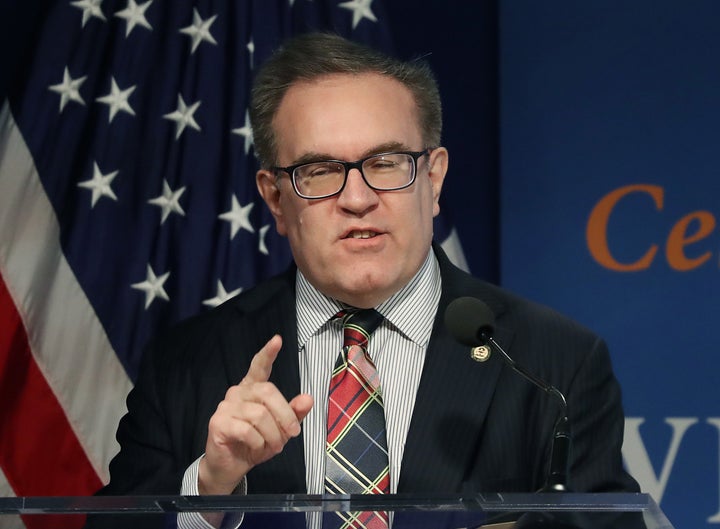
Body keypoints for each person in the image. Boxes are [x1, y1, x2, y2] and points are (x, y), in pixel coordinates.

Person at [86, 32, 640, 529]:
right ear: (276, 199)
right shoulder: (187, 363)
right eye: (320, 171)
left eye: (387, 162)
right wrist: (208, 492)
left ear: (435, 177)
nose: (357, 198)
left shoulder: (554, 365)